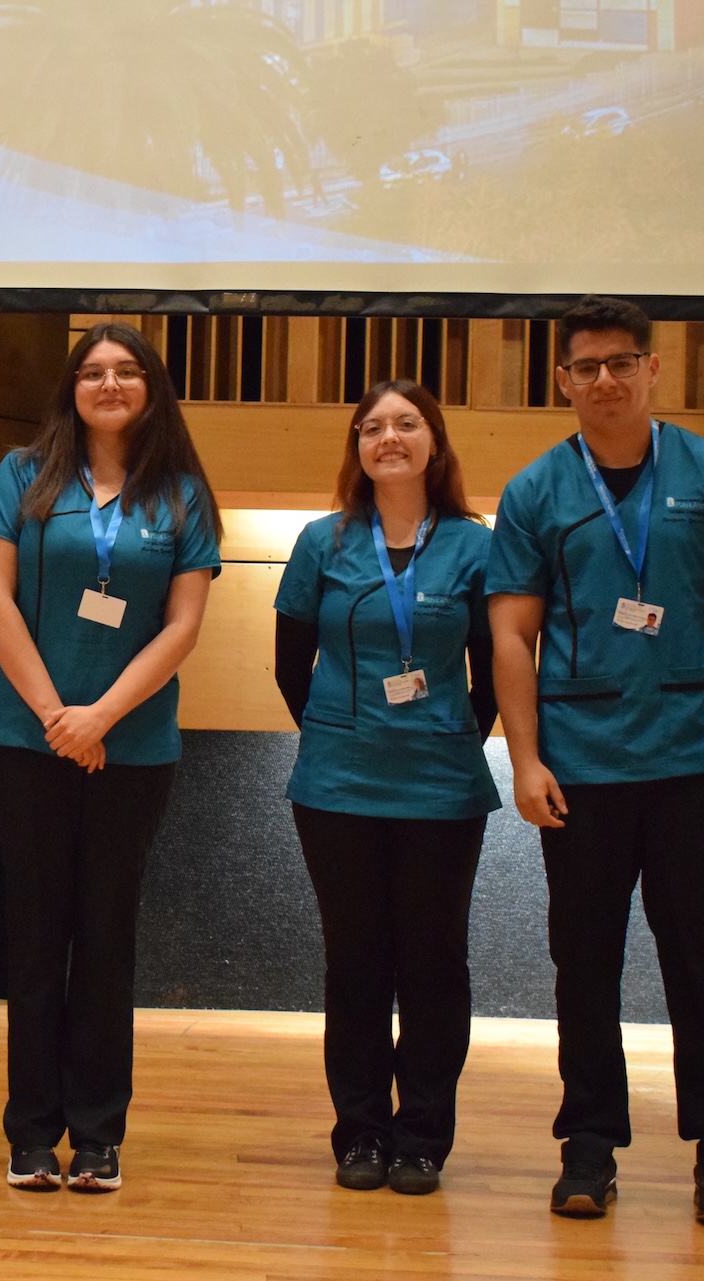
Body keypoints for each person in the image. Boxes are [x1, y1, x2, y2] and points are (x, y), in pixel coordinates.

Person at [486, 295, 704, 1228]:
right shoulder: (536, 491)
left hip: (696, 765)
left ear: (653, 369)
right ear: (563, 381)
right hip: (581, 771)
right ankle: (589, 1145)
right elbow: (511, 635)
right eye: (586, 367)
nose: (604, 379)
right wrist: (524, 760)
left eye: (621, 362)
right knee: (584, 965)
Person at [0, 322, 222, 1193]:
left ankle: (98, 1134)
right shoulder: (21, 474)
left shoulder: (182, 493)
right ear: (71, 388)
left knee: (107, 937)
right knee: (35, 937)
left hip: (134, 747)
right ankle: (30, 1133)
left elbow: (183, 626)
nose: (108, 384)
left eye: (126, 371)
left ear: (151, 387)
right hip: (24, 740)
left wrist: (101, 717)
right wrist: (55, 714)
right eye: (92, 371)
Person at [273, 380, 499, 1198]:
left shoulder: (475, 545)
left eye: (406, 424)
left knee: (434, 963)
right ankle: (362, 1132)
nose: (389, 438)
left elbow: (492, 671)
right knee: (356, 961)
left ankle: (422, 1138)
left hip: (442, 787)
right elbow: (289, 665)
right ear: (358, 448)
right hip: (337, 784)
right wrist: (342, 728)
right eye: (372, 427)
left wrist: (444, 734)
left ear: (434, 441)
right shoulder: (321, 542)